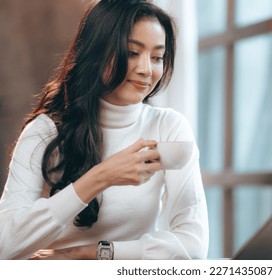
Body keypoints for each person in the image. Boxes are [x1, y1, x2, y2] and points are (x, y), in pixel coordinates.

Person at [0, 0, 209, 260]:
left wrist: (94, 253)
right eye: (132, 53)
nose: (146, 70)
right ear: (97, 52)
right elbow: (5, 245)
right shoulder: (45, 131)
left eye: (157, 57)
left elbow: (194, 244)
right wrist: (100, 177)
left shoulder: (168, 127)